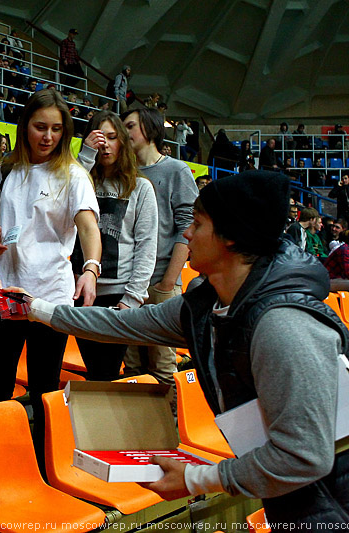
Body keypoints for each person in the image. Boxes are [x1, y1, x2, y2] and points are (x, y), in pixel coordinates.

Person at [21, 170, 349, 527]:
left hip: (333, 497)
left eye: (198, 222)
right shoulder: (206, 306)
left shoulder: (283, 326)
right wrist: (34, 308)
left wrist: (196, 479)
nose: (187, 234)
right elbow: (121, 324)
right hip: (294, 494)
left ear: (232, 238)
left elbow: (304, 457)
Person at [0, 89, 101, 475]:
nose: (47, 136)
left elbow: (87, 227)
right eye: (40, 127)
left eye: (56, 129)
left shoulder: (73, 175)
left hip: (50, 296)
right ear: (25, 127)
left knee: (45, 388)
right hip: (3, 292)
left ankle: (44, 469)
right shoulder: (7, 169)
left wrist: (91, 268)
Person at [121, 107, 198, 411]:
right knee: (131, 366)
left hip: (161, 281)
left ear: (149, 130)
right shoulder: (125, 173)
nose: (124, 131)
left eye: (130, 125)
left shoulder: (176, 170)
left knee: (163, 365)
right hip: (128, 283)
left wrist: (168, 282)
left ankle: (171, 433)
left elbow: (187, 227)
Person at [73, 111, 158, 381]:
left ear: (123, 142)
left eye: (112, 137)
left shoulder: (140, 188)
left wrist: (130, 300)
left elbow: (146, 247)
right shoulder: (80, 177)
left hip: (116, 295)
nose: (105, 144)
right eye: (99, 138)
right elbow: (65, 187)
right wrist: (85, 154)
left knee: (106, 373)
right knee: (94, 370)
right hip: (77, 290)